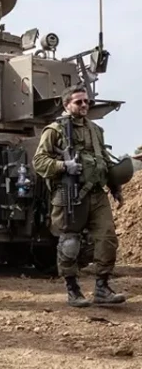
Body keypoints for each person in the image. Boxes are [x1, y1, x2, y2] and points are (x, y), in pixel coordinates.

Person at [32, 84, 128, 307]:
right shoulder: (54, 130)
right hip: (70, 193)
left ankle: (102, 288)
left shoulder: (95, 130)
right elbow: (39, 162)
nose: (84, 105)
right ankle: (73, 290)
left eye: (87, 101)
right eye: (79, 102)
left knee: (107, 239)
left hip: (97, 193)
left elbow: (103, 160)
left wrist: (115, 187)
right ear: (67, 105)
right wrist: (63, 166)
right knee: (70, 243)